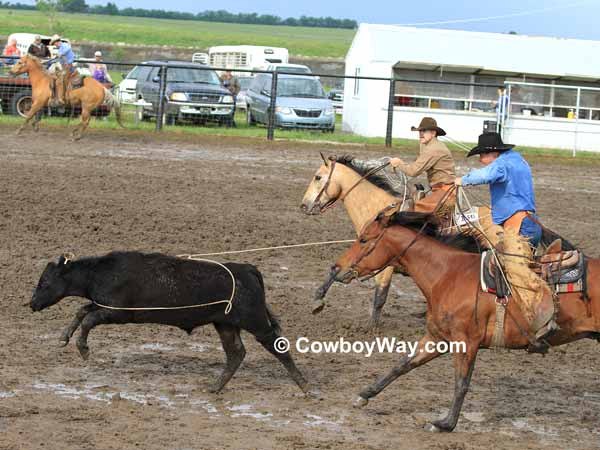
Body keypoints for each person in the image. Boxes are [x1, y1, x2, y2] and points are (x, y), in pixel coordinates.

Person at [455, 132, 556, 350]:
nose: (481, 160)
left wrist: (461, 180)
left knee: (516, 271)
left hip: (519, 224)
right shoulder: (516, 159)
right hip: (526, 221)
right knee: (517, 267)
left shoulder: (502, 165)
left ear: (492, 153)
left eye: (481, 155)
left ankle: (542, 318)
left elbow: (486, 175)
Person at [389, 117, 457, 212]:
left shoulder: (433, 149)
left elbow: (413, 171)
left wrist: (399, 164)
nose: (421, 133)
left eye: (424, 131)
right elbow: (417, 164)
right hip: (439, 189)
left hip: (445, 191)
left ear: (433, 133)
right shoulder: (430, 146)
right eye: (420, 131)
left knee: (417, 209)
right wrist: (401, 164)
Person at [49, 34, 75, 106]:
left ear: (57, 42)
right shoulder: (60, 49)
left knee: (62, 79)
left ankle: (62, 97)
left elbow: (68, 49)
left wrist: (60, 54)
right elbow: (58, 58)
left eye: (55, 44)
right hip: (64, 66)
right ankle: (55, 94)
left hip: (68, 66)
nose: (55, 45)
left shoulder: (65, 45)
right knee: (52, 74)